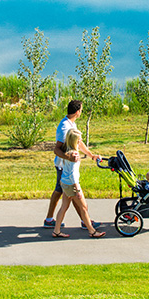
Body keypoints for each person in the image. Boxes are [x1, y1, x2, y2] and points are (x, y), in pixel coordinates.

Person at [43, 100, 102, 229]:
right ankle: (85, 222)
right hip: (63, 166)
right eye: (81, 110)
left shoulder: (71, 124)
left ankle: (50, 220)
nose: (81, 112)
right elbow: (56, 149)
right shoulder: (65, 127)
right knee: (74, 193)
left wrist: (92, 155)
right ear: (77, 112)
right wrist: (68, 157)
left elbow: (78, 143)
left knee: (62, 192)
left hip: (65, 165)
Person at [52, 129, 105, 238]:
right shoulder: (74, 155)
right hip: (72, 184)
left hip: (64, 182)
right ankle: (92, 231)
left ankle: (56, 231)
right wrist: (77, 190)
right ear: (75, 141)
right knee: (83, 207)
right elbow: (73, 174)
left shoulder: (67, 151)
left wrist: (93, 156)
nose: (81, 140)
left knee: (64, 207)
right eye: (79, 139)